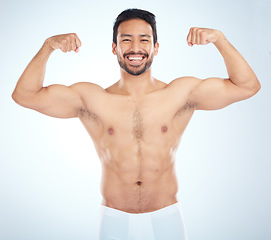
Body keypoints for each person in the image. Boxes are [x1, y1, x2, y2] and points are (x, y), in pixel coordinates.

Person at [12, 8, 260, 240]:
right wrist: (48, 47)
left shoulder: (180, 93)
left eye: (144, 39)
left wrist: (220, 39)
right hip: (114, 218)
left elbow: (247, 86)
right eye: (126, 39)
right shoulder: (93, 98)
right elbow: (25, 95)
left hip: (167, 216)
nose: (135, 48)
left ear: (156, 47)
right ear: (114, 47)